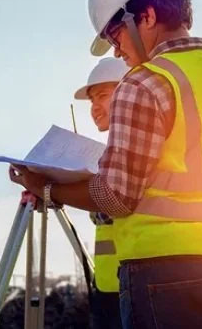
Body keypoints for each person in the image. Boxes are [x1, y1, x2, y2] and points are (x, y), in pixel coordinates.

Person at [8, 0, 202, 328]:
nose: (116, 51)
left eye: (115, 36)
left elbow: (116, 196)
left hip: (167, 278)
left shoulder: (144, 82)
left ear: (145, 16)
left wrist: (46, 187)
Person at [73, 57, 127, 329]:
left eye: (102, 96)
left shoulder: (130, 152)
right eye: (92, 101)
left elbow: (112, 206)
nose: (94, 108)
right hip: (107, 287)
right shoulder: (107, 155)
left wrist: (54, 189)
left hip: (133, 291)